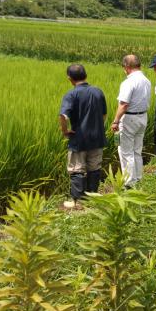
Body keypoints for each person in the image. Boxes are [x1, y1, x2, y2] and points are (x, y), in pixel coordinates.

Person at [59, 64, 107, 208]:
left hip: (79, 138)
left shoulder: (71, 94)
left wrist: (65, 131)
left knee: (77, 169)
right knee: (94, 168)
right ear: (85, 75)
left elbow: (63, 116)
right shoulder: (98, 92)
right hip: (97, 137)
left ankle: (77, 202)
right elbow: (104, 115)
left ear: (70, 78)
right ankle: (92, 198)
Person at [110, 54, 151, 187]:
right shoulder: (146, 80)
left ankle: (129, 183)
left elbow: (123, 104)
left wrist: (116, 121)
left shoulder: (129, 82)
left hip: (130, 118)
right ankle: (138, 177)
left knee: (126, 151)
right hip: (143, 117)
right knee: (137, 150)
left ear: (126, 67)